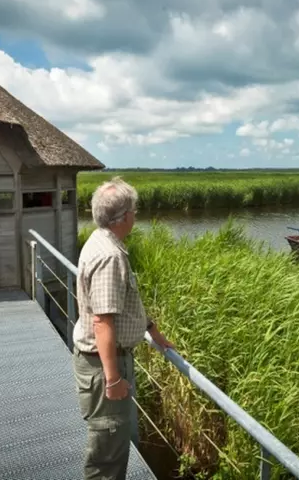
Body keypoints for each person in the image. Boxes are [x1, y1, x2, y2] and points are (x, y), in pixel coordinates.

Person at [73, 177, 174, 480]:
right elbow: (103, 321)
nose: (135, 215)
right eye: (134, 210)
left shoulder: (101, 240)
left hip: (107, 359)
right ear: (124, 216)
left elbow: (121, 306)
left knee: (111, 442)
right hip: (106, 364)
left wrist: (151, 329)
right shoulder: (110, 256)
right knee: (107, 453)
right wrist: (113, 378)